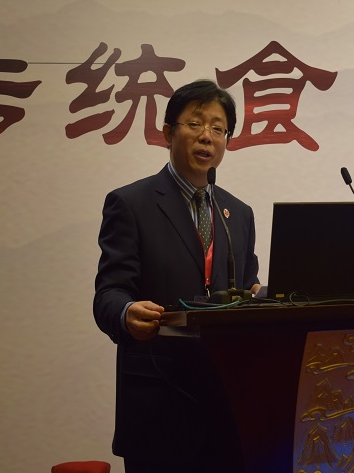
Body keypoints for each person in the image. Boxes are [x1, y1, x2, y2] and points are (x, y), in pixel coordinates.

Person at [93, 79, 260, 472]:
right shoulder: (130, 203)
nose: (207, 136)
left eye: (218, 128)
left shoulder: (239, 213)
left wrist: (261, 299)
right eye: (195, 124)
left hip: (227, 405)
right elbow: (109, 294)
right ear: (168, 133)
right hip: (158, 403)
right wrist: (126, 312)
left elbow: (246, 288)